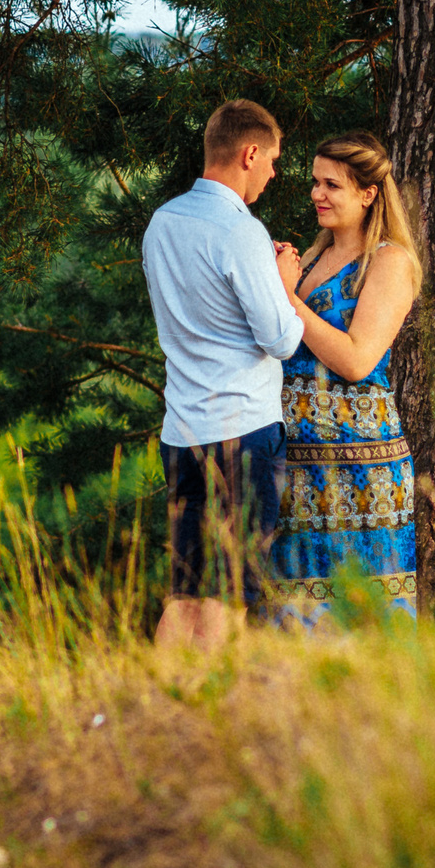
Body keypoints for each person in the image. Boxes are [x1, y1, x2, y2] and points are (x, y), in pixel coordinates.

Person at [140, 99, 307, 649]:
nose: (275, 173)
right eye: (273, 160)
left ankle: (159, 712)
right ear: (249, 153)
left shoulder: (162, 223)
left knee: (184, 592)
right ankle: (215, 719)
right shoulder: (242, 232)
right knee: (229, 589)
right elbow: (280, 339)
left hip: (181, 429)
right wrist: (282, 281)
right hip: (241, 430)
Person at [272, 130, 422, 624]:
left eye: (332, 185)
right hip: (296, 469)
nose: (317, 194)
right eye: (315, 182)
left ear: (368, 193)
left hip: (362, 475)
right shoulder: (311, 258)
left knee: (360, 624)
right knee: (292, 619)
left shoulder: (390, 262)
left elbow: (358, 361)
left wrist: (289, 299)